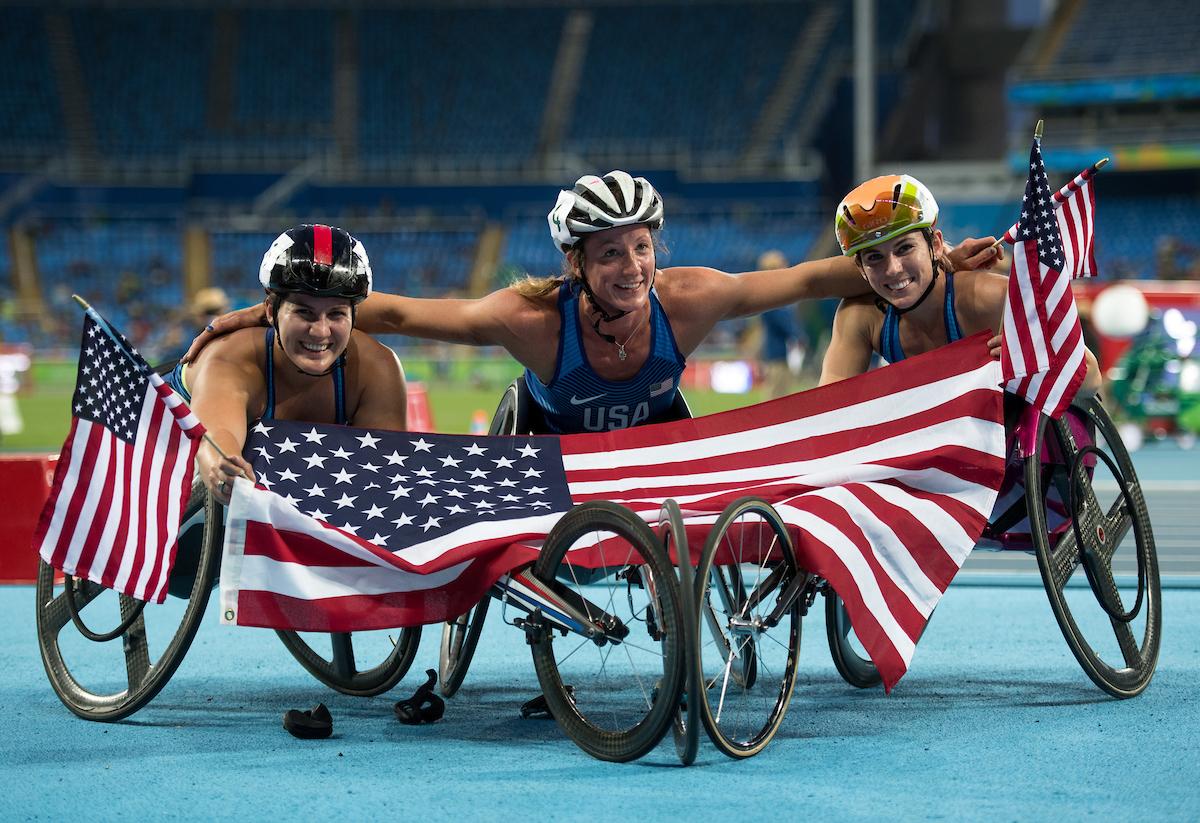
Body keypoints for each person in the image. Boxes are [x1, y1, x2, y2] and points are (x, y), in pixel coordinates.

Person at [187, 171, 1001, 434]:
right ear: (576, 263)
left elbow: (817, 278)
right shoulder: (530, 318)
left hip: (652, 430)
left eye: (641, 248)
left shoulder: (690, 299)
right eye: (611, 254)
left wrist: (933, 256)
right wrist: (279, 306)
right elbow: (393, 316)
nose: (632, 266)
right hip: (548, 437)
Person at [170, 224, 408, 504]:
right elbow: (217, 442)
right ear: (271, 311)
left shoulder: (378, 369)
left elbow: (379, 484)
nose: (320, 331)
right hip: (171, 487)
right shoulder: (229, 357)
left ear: (355, 316)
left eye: (336, 314)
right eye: (304, 313)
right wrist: (225, 471)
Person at [818, 174, 1101, 398]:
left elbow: (1091, 379)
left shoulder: (989, 297)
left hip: (1025, 445)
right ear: (861, 270)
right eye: (875, 258)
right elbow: (827, 408)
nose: (893, 269)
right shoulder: (860, 316)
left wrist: (1039, 358)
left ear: (936, 245)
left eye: (904, 248)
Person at [755, 250, 806, 399]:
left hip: (775, 352)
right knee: (776, 396)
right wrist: (797, 335)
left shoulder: (766, 294)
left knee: (778, 394)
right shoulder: (772, 296)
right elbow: (784, 323)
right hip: (778, 354)